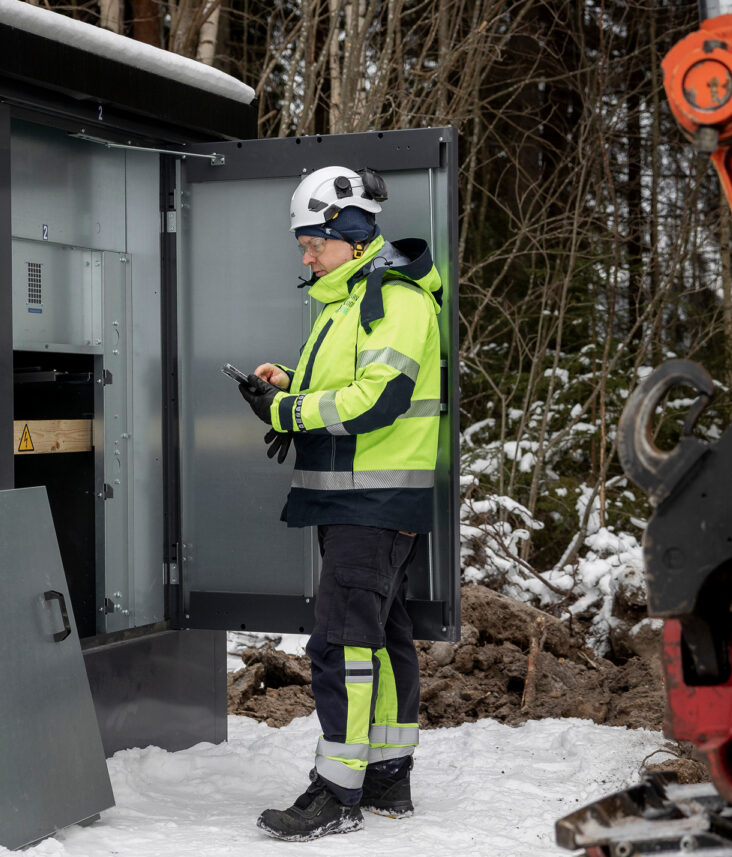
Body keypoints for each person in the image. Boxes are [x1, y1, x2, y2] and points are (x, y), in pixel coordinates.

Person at [237, 165, 443, 842]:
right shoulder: (353, 300)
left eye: (312, 243)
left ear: (351, 234)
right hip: (364, 502)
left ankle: (336, 792)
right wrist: (288, 383)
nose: (306, 256)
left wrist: (287, 411)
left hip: (373, 501)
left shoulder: (394, 299)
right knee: (379, 637)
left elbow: (378, 399)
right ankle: (386, 777)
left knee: (342, 644)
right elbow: (347, 383)